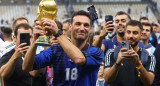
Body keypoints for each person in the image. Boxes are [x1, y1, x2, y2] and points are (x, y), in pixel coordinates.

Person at [22, 10, 104, 86]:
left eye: (86, 25)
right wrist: (35, 41)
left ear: (90, 29)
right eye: (78, 24)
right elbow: (27, 67)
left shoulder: (96, 52)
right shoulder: (56, 50)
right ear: (70, 26)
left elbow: (79, 59)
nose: (82, 28)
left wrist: (57, 33)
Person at [104, 20, 156, 86]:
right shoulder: (111, 53)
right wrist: (117, 63)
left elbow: (149, 82)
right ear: (125, 33)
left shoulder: (149, 56)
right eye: (128, 32)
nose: (131, 36)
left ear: (141, 35)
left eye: (135, 33)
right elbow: (107, 80)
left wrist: (138, 64)